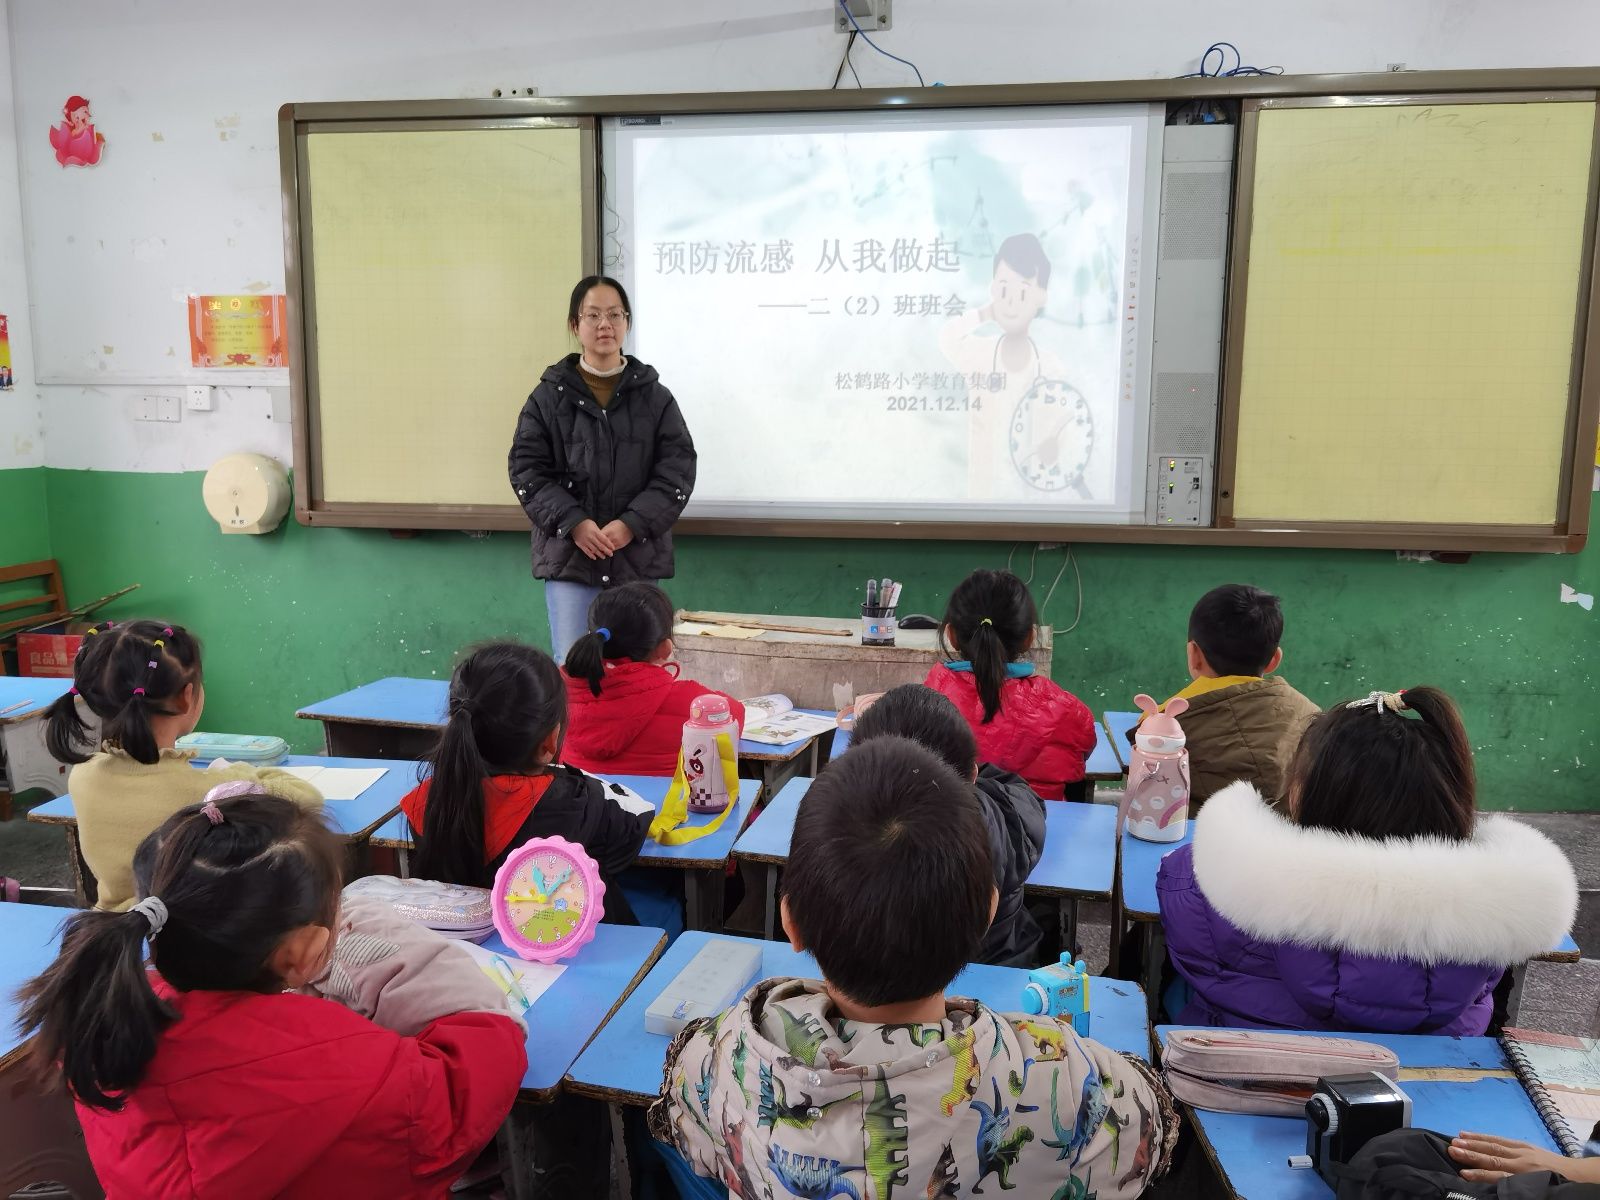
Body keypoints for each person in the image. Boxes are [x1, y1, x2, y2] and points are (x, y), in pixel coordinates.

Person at [649, 737, 1178, 1200]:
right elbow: (1149, 1129)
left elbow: (683, 1122)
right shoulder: (1062, 1071)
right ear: (988, 911)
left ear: (790, 922)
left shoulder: (726, 1055)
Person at [16, 790, 526, 1196]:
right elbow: (469, 1081)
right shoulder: (351, 1064)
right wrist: (403, 949)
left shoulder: (99, 1018)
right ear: (302, 956)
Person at [1157, 688, 1578, 1035]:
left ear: (1301, 792)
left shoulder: (1209, 877)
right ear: (1453, 803)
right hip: (1428, 1108)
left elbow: (1188, 948)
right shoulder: (1500, 913)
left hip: (1241, 1089)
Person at [44, 619, 321, 911]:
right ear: (186, 697)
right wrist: (240, 774)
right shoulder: (207, 792)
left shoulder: (83, 774)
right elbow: (307, 798)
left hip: (111, 927)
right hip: (181, 937)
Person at [508, 275, 697, 664]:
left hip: (637, 560)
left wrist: (631, 524)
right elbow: (527, 469)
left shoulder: (655, 398)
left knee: (638, 672)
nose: (604, 324)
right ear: (575, 326)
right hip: (570, 562)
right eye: (592, 315)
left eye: (614, 314)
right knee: (576, 674)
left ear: (627, 322)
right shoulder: (547, 397)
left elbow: (677, 471)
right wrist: (575, 522)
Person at [401, 640, 650, 922]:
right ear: (549, 741)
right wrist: (571, 774)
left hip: (467, 947)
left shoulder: (428, 800)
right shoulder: (575, 800)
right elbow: (637, 818)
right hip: (565, 949)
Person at [852, 683, 1046, 966]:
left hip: (877, 983)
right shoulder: (1005, 815)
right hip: (999, 970)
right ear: (972, 774)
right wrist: (968, 774)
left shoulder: (841, 832)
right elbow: (1018, 793)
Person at [1136, 583, 1319, 810]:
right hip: (1284, 842)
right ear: (1275, 659)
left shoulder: (1160, 723)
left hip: (1192, 842)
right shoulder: (1314, 720)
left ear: (1194, 655)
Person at [924, 568, 1096, 800]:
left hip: (952, 831)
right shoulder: (1063, 709)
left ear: (951, 636)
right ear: (1029, 638)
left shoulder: (928, 701)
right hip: (1039, 832)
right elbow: (1082, 754)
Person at [560, 582, 745, 778]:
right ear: (665, 648)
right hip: (668, 808)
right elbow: (736, 715)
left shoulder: (556, 694)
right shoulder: (690, 702)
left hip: (584, 807)